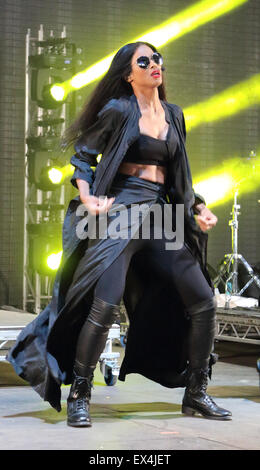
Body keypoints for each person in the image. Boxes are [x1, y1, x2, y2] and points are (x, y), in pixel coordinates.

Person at [7, 41, 232, 427]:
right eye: (142, 61)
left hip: (161, 215)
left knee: (203, 301)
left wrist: (197, 206)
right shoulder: (118, 110)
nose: (153, 64)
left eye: (156, 58)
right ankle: (80, 393)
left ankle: (196, 393)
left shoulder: (174, 115)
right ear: (129, 74)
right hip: (120, 213)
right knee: (105, 305)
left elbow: (179, 173)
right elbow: (83, 158)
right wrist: (88, 197)